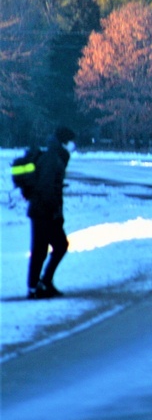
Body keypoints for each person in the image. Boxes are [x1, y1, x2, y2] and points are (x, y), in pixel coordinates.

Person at [26, 126, 76, 299]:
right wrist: (54, 210)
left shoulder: (56, 156)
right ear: (64, 142)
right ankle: (36, 286)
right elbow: (46, 187)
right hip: (43, 211)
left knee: (52, 246)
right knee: (45, 248)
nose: (73, 145)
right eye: (71, 142)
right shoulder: (52, 158)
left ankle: (42, 283)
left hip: (44, 210)